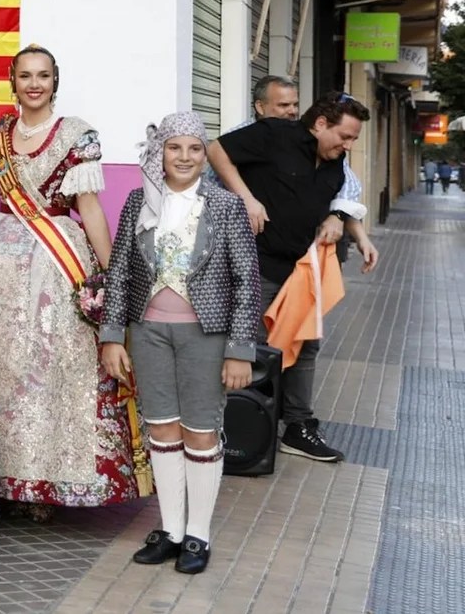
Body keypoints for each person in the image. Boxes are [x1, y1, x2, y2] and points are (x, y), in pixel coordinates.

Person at [0, 45, 136, 519]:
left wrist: (108, 275)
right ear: (12, 80)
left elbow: (88, 207)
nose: (34, 84)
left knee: (51, 364)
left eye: (43, 75)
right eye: (25, 75)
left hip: (57, 256)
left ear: (55, 81)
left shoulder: (77, 134)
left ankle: (45, 482)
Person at [99, 113, 261, 576]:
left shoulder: (226, 205)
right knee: (161, 429)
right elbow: (121, 272)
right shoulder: (138, 201)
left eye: (194, 148)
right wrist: (113, 336)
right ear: (160, 153)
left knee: (201, 432)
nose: (184, 157)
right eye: (175, 148)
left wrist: (239, 348)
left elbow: (246, 281)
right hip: (148, 332)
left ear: (204, 153)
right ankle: (171, 531)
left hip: (205, 336)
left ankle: (198, 535)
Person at [208, 91, 370, 463]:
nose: (348, 145)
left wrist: (338, 218)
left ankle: (297, 427)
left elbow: (344, 199)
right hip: (257, 263)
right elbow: (217, 150)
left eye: (353, 139)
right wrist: (246, 198)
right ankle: (240, 430)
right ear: (319, 124)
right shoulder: (274, 134)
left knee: (306, 343)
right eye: (344, 136)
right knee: (252, 346)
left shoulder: (335, 162)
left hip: (301, 267)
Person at [244, 77, 379, 273]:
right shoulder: (243, 136)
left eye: (295, 104)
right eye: (283, 105)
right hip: (251, 260)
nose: (292, 111)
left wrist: (345, 223)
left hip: (295, 265)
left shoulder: (315, 146)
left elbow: (347, 189)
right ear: (260, 107)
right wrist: (248, 200)